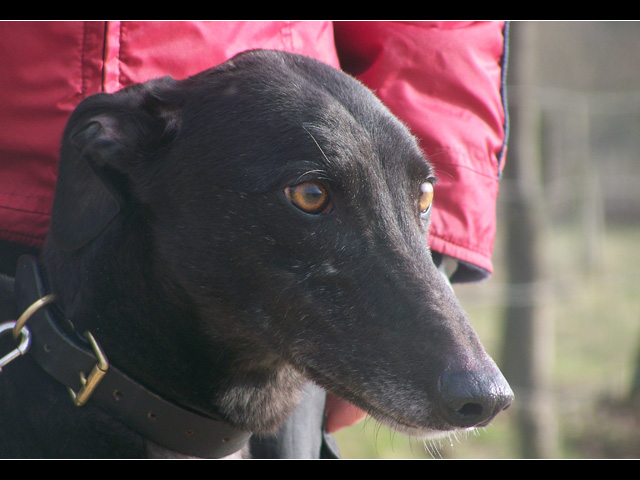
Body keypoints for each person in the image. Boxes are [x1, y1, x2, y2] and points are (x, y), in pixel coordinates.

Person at [0, 21, 509, 457]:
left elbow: (442, 34)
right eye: (311, 196)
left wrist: (435, 248)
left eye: (420, 199)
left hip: (288, 134)